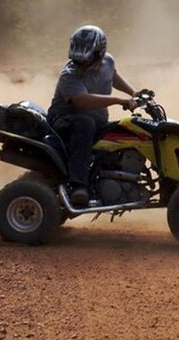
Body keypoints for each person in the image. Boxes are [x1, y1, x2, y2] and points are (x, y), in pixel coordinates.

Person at [47, 25, 138, 206]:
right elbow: (83, 101)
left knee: (128, 128)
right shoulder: (69, 75)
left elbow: (113, 77)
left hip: (96, 120)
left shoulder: (108, 62)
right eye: (78, 60)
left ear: (100, 54)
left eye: (86, 60)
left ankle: (115, 178)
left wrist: (134, 93)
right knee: (85, 123)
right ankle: (78, 186)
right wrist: (118, 101)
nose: (81, 64)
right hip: (63, 122)